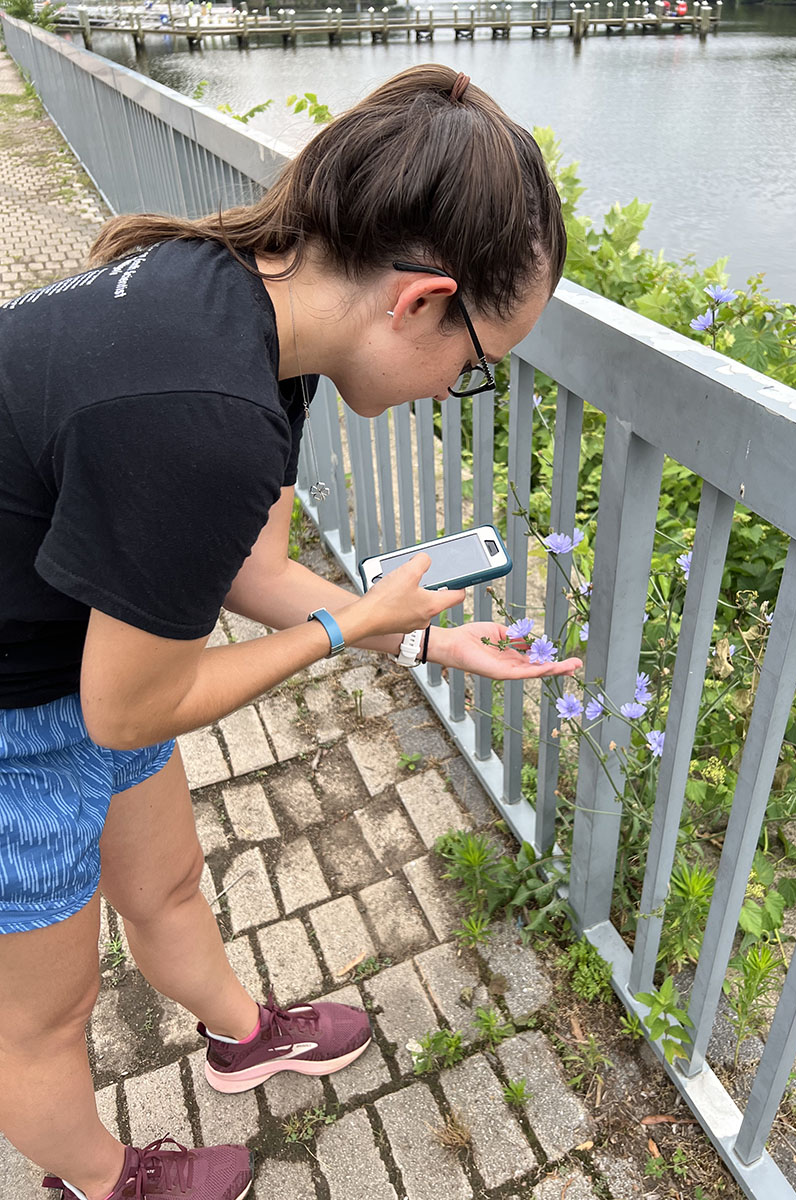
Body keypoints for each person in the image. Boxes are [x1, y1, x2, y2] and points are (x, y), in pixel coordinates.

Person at [0, 63, 579, 1200]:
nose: (456, 383)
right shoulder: (203, 416)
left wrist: (413, 640)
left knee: (166, 884)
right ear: (421, 300)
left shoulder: (257, 314)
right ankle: (106, 1180)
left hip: (76, 649)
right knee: (44, 1019)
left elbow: (254, 569)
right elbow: (132, 706)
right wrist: (348, 627)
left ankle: (238, 1036)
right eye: (476, 368)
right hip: (18, 714)